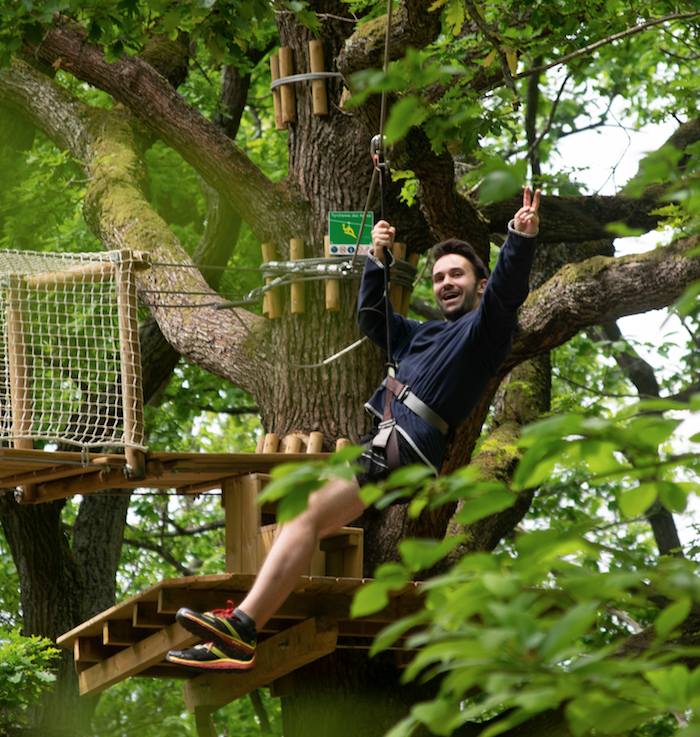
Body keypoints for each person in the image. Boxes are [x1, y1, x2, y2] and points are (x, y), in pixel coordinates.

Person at [166, 187, 541, 670]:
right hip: (390, 441)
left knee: (306, 516)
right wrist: (376, 259)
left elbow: (509, 291)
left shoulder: (486, 331)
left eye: (457, 275)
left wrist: (519, 239)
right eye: (440, 276)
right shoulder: (424, 334)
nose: (446, 283)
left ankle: (241, 627)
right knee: (307, 517)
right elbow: (372, 318)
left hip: (407, 443)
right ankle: (237, 632)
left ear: (480, 285)